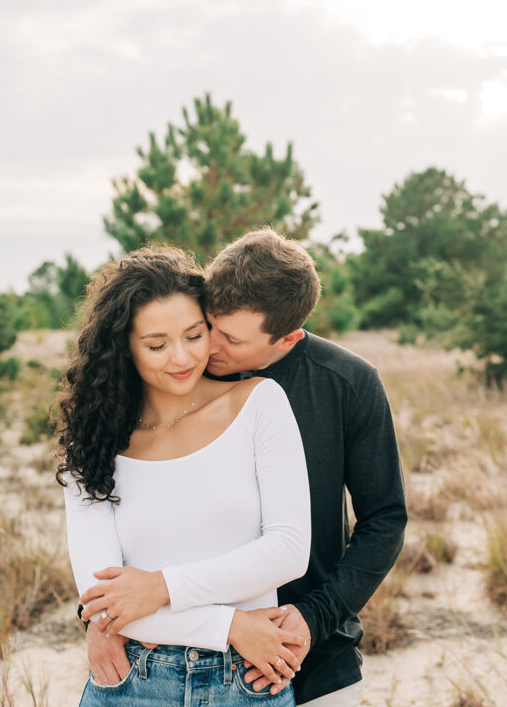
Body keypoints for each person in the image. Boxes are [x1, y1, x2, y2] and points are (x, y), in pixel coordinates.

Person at [83, 230, 407, 706]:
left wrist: (315, 617)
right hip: (163, 647)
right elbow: (118, 513)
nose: (204, 347)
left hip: (305, 649)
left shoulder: (347, 384)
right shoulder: (165, 379)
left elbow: (384, 520)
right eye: (205, 324)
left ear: (288, 337)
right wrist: (99, 616)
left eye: (230, 338)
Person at [57, 245, 311, 706]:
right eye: (156, 345)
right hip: (131, 681)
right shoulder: (93, 442)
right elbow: (102, 602)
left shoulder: (260, 403)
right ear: (125, 348)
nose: (182, 357)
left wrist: (159, 588)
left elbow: (289, 552)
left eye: (195, 335)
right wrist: (228, 626)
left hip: (247, 682)